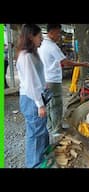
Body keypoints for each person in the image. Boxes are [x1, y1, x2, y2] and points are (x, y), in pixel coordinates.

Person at [38, 24, 89, 141]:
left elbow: (58, 62)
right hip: (52, 80)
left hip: (45, 79)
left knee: (50, 105)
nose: (59, 36)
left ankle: (51, 127)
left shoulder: (42, 45)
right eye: (58, 33)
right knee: (56, 105)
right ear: (51, 32)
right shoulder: (52, 46)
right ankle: (57, 130)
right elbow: (66, 63)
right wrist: (83, 64)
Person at [16, 24, 49, 168]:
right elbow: (31, 84)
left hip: (36, 97)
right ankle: (34, 164)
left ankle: (43, 158)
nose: (41, 39)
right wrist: (40, 104)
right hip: (32, 100)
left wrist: (44, 86)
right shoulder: (26, 56)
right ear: (31, 37)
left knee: (40, 130)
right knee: (35, 134)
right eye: (39, 37)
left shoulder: (33, 53)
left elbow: (37, 77)